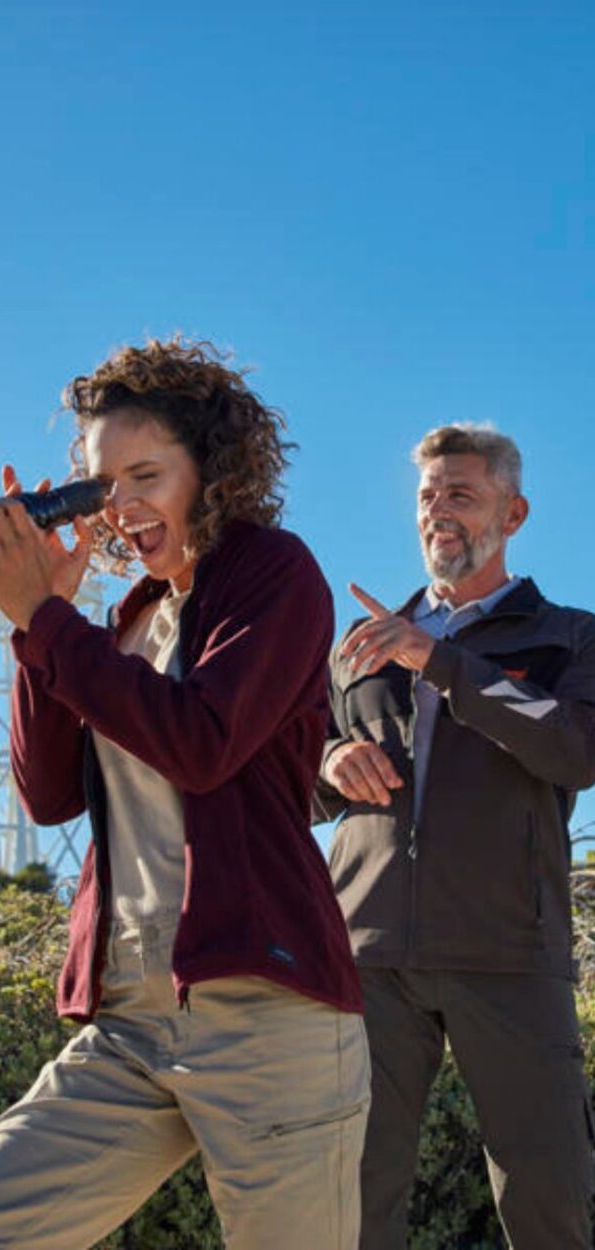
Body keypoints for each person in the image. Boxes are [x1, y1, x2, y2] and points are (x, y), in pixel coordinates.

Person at [0, 338, 369, 1250]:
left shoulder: (274, 575)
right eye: (103, 484)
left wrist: (47, 622)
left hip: (268, 1017)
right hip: (130, 1024)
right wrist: (41, 629)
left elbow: (202, 743)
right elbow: (47, 795)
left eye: (146, 475)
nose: (121, 506)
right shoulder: (126, 620)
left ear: (214, 470)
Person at [313, 422, 595, 1249]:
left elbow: (575, 750)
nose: (439, 511)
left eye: (462, 495)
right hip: (366, 954)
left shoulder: (570, 637)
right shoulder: (357, 650)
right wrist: (328, 761)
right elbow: (291, 780)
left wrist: (440, 662)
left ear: (514, 514)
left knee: (549, 1197)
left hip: (509, 951)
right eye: (428, 496)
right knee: (351, 1198)